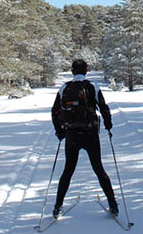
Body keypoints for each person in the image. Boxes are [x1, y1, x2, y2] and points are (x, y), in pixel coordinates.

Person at [51, 59, 118, 217]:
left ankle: (57, 206)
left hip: (72, 135)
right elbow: (103, 108)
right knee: (99, 169)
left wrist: (59, 131)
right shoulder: (93, 87)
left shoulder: (64, 88)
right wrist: (108, 126)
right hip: (90, 134)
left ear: (73, 71)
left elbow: (54, 111)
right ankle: (113, 204)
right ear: (86, 71)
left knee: (68, 171)